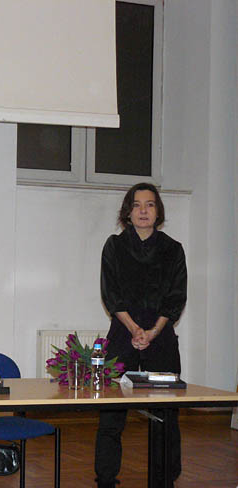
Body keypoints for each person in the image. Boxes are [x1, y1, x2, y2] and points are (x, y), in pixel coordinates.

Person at [95, 183, 187, 488]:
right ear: (128, 212)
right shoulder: (114, 246)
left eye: (150, 204)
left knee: (165, 415)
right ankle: (106, 479)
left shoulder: (173, 249)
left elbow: (176, 297)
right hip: (123, 335)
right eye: (137, 205)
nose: (143, 211)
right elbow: (111, 294)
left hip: (161, 338)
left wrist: (153, 331)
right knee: (111, 414)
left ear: (158, 211)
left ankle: (165, 479)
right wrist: (135, 329)